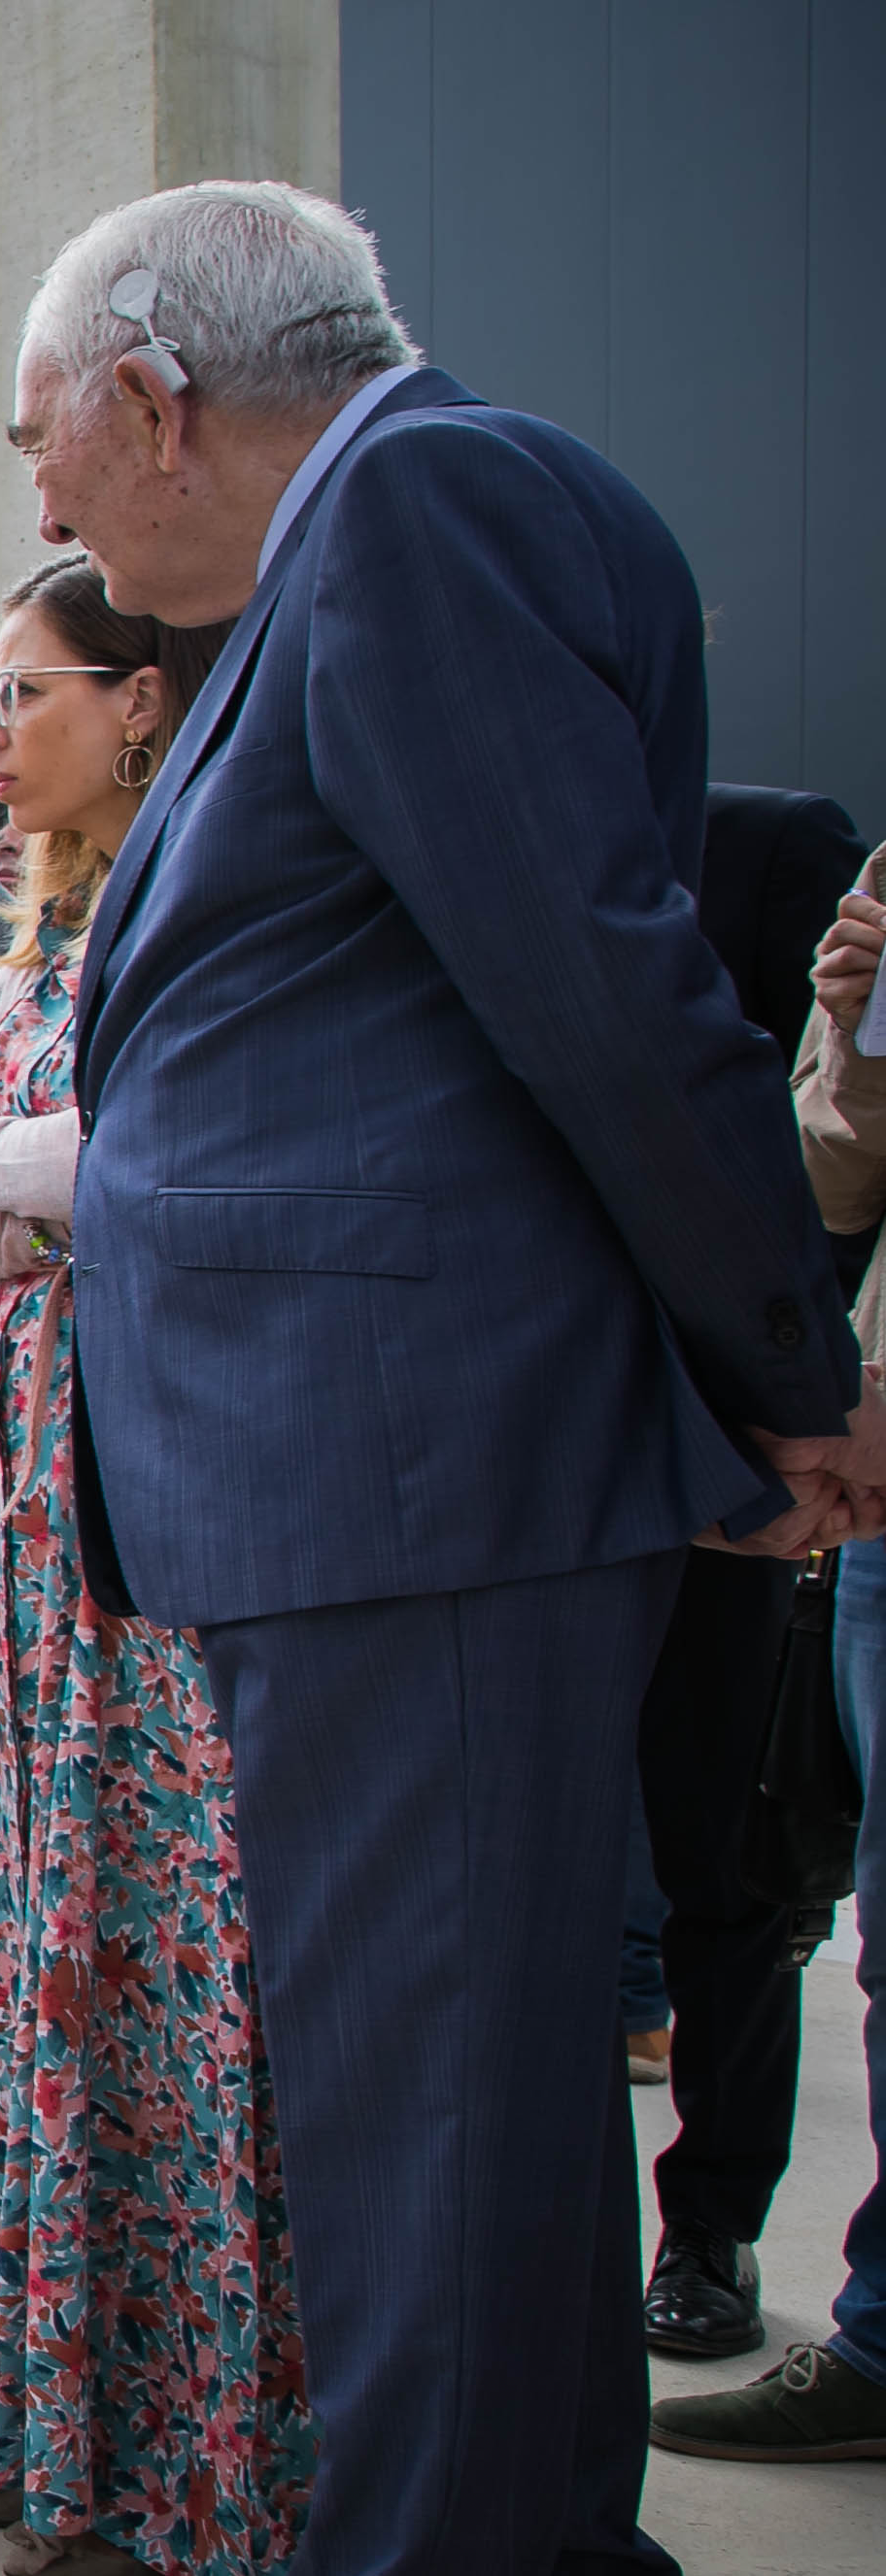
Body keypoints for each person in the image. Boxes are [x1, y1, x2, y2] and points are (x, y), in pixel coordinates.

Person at [0, 181, 858, 2576]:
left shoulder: (419, 512)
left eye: (38, 423)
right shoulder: (382, 537)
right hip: (396, 1473)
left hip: (409, 1480)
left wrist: (776, 1368)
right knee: (461, 2127)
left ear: (153, 387)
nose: (37, 484)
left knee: (410, 2141)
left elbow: (597, 980)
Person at [0, 553, 303, 2576]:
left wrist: (37, 1178)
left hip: (147, 1494)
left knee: (161, 1954)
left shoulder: (214, 901)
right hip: (16, 1500)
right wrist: (48, 1178)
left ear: (140, 702)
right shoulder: (36, 939)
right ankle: (55, 2421)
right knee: (32, 1933)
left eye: (22, 692)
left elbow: (135, 1159)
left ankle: (175, 2455)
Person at [617, 781, 870, 2358]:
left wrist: (805, 1408)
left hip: (712, 1454)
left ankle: (706, 2228)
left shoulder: (765, 847)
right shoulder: (440, 829)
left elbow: (833, 1140)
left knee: (720, 1867)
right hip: (502, 1440)